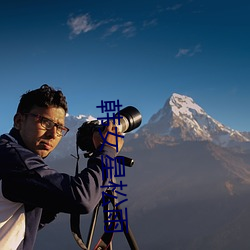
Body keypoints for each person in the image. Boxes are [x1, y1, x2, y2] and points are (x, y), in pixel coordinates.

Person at [0, 84, 124, 250]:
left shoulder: (11, 154)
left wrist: (55, 198)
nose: (52, 134)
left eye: (59, 128)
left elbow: (23, 224)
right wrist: (107, 151)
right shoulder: (14, 159)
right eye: (45, 122)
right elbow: (83, 199)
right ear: (19, 121)